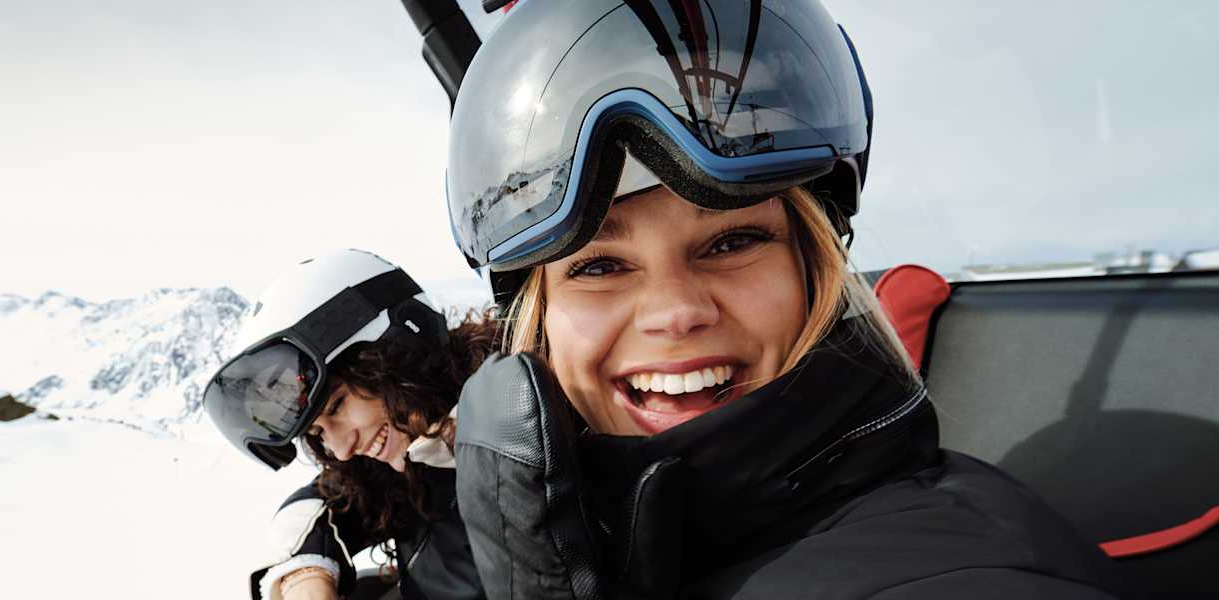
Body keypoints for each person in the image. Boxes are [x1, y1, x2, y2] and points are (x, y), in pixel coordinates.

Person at [442, 1, 1131, 598]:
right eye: (598, 268)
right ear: (540, 323)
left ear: (814, 268)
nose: (675, 311)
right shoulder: (569, 535)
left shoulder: (962, 569)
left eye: (730, 242)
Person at [202, 249, 495, 600]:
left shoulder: (529, 427)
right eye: (319, 433)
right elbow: (328, 499)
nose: (342, 449)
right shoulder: (407, 469)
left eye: (338, 405)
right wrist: (305, 575)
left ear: (399, 352)